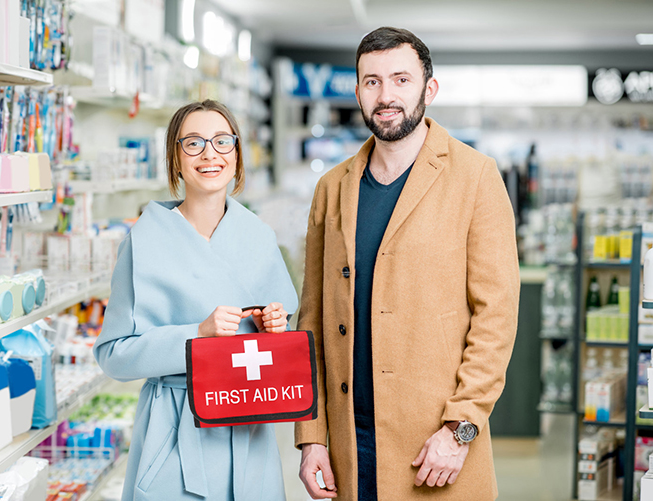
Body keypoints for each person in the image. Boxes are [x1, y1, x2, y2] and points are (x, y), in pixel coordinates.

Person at [295, 27, 520, 501]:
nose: (386, 95)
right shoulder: (333, 188)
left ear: (428, 89)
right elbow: (312, 319)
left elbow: (495, 318)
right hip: (349, 446)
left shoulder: (475, 176)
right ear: (357, 92)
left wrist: (460, 431)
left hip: (435, 447)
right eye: (372, 81)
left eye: (401, 79)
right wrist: (311, 436)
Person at [94, 99, 299, 501]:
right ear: (175, 157)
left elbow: (281, 357)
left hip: (247, 431)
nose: (210, 154)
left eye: (223, 142)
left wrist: (275, 330)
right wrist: (197, 334)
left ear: (237, 155)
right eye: (193, 143)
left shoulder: (258, 237)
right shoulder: (145, 241)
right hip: (176, 432)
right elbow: (113, 355)